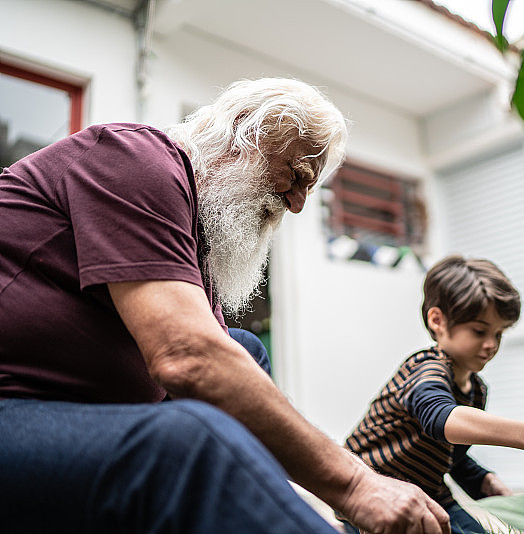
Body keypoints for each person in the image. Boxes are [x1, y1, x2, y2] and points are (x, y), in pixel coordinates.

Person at [0, 78, 451, 534]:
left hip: (73, 417)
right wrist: (356, 484)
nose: (295, 205)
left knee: (242, 350)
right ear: (241, 133)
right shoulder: (132, 156)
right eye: (295, 175)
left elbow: (216, 362)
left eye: (308, 191)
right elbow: (188, 359)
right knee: (188, 439)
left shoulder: (195, 247)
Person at [341, 255, 524, 534]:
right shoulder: (425, 369)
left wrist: (484, 482)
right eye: (479, 331)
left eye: (499, 334)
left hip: (430, 493)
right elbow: (441, 420)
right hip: (375, 493)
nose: (491, 344)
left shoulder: (476, 390)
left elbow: (449, 455)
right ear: (438, 321)